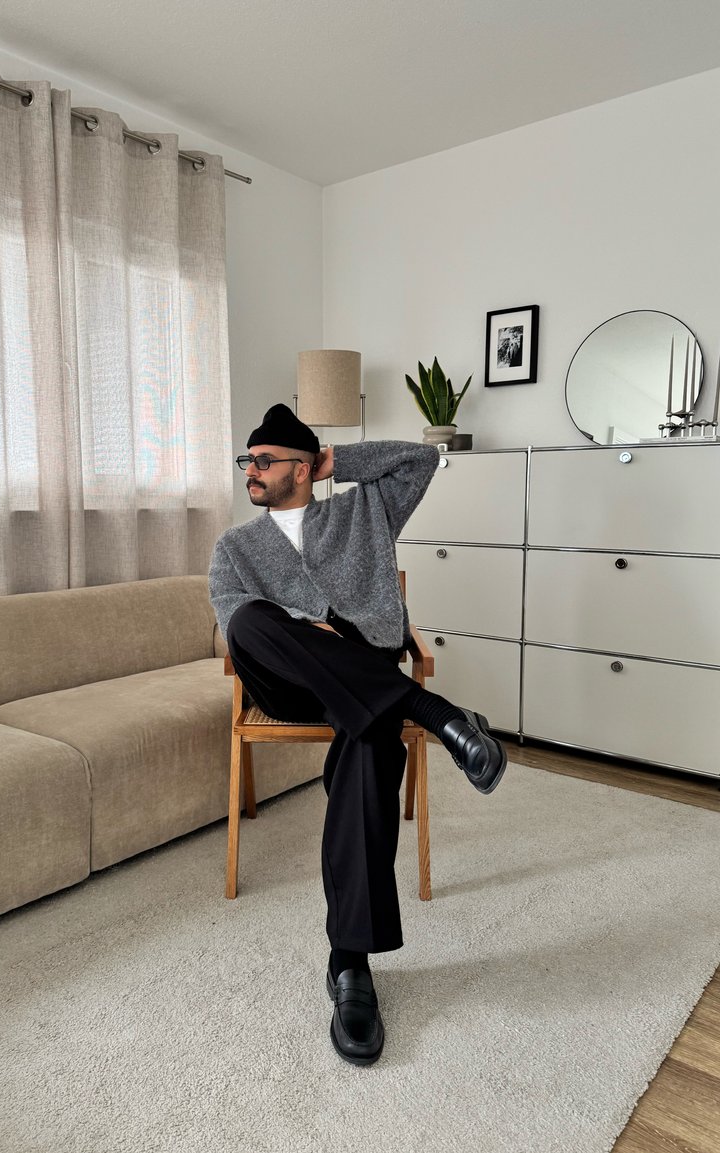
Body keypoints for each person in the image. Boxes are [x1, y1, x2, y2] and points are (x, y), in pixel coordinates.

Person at [209, 403, 507, 1067]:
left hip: (362, 670)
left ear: (305, 467)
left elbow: (423, 459)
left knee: (371, 742)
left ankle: (351, 965)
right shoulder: (234, 547)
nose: (251, 471)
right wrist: (299, 625)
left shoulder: (362, 511)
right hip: (288, 674)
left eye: (264, 460)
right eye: (247, 461)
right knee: (251, 621)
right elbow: (231, 622)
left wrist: (339, 460)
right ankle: (437, 715)